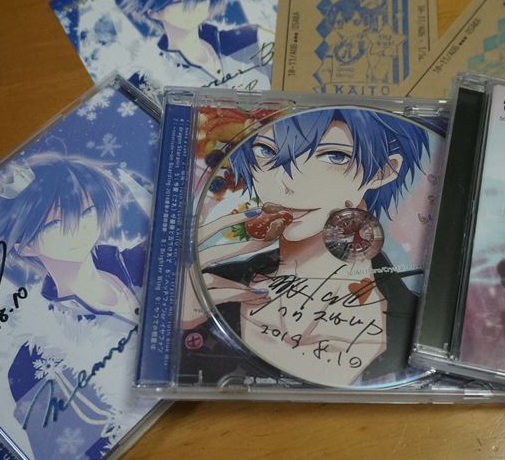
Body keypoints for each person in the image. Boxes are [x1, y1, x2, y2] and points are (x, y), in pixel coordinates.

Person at [182, 107, 431, 387]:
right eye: (266, 150)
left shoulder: (423, 326)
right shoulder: (208, 287)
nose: (285, 182)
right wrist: (179, 324)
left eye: (335, 156)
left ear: (383, 171)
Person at [0, 152, 147, 460]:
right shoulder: (34, 361)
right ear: (25, 246)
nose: (78, 228)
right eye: (54, 224)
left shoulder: (136, 260)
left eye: (86, 211)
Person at [121, 0, 269, 87]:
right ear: (154, 12)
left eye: (202, 0)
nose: (193, 9)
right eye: (179, 3)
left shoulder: (248, 37)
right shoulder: (149, 79)